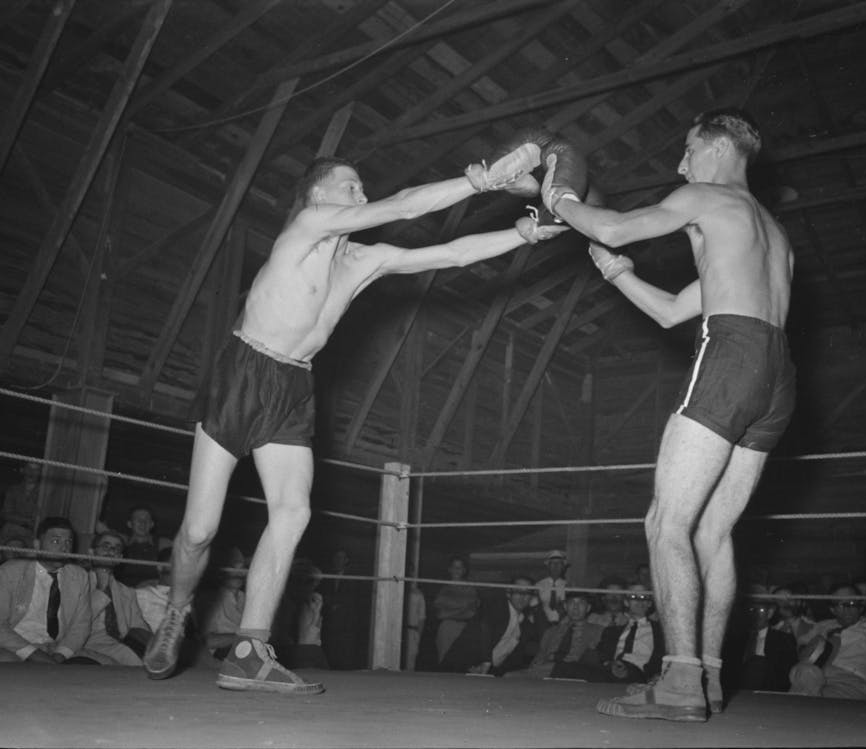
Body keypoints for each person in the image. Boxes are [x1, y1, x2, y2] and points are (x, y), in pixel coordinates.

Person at [141, 150, 563, 695]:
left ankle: (249, 650)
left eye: (363, 188)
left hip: (294, 386)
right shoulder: (308, 227)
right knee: (198, 532)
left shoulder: (365, 259)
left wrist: (524, 235)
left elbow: (453, 253)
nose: (361, 196)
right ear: (318, 196)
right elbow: (406, 203)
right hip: (244, 372)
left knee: (293, 514)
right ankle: (177, 609)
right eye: (350, 187)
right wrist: (476, 182)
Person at [541, 108, 795, 721]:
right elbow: (671, 310)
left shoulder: (703, 194)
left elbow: (621, 227)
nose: (679, 165)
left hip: (731, 356)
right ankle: (703, 678)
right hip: (778, 375)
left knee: (666, 523)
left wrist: (562, 198)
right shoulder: (771, 234)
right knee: (712, 532)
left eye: (686, 151)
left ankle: (678, 682)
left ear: (713, 149)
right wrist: (616, 272)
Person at [0, 516, 91, 663]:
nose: (64, 548)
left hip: (57, 650)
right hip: (15, 648)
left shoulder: (79, 576)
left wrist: (60, 654)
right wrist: (34, 654)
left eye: (68, 542)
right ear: (37, 544)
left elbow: (81, 626)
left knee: (104, 668)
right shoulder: (10, 571)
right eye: (56, 541)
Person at [77, 530, 152, 666]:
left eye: (116, 548)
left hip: (117, 646)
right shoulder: (77, 581)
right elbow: (75, 622)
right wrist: (101, 588)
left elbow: (139, 627)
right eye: (105, 546)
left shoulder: (127, 592)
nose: (111, 551)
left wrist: (158, 645)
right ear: (91, 552)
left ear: (120, 558)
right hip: (81, 645)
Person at [432, 555, 479, 665]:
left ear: (464, 570)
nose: (456, 570)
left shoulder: (470, 589)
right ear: (449, 569)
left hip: (464, 628)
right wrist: (463, 608)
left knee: (462, 661)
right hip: (446, 628)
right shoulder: (443, 588)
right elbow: (440, 614)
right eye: (454, 567)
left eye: (459, 567)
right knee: (444, 660)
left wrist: (450, 611)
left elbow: (471, 613)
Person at [535, 549, 569, 626]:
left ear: (563, 567)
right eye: (552, 563)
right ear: (548, 566)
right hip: (541, 624)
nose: (556, 566)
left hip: (563, 624)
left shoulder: (568, 586)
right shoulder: (538, 585)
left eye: (559, 563)